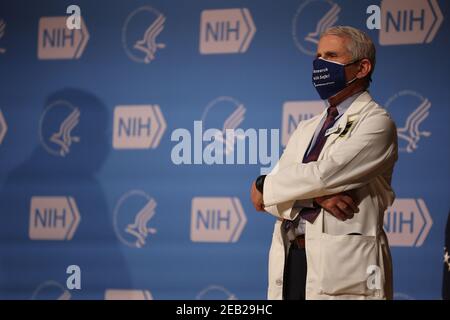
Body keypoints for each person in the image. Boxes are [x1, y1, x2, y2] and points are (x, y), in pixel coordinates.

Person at [251, 26, 398, 300]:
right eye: (317, 56)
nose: (320, 64)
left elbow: (323, 175)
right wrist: (314, 200)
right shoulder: (307, 128)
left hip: (346, 270)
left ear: (362, 67)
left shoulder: (377, 123)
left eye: (330, 56)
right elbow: (266, 201)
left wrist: (266, 184)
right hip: (292, 260)